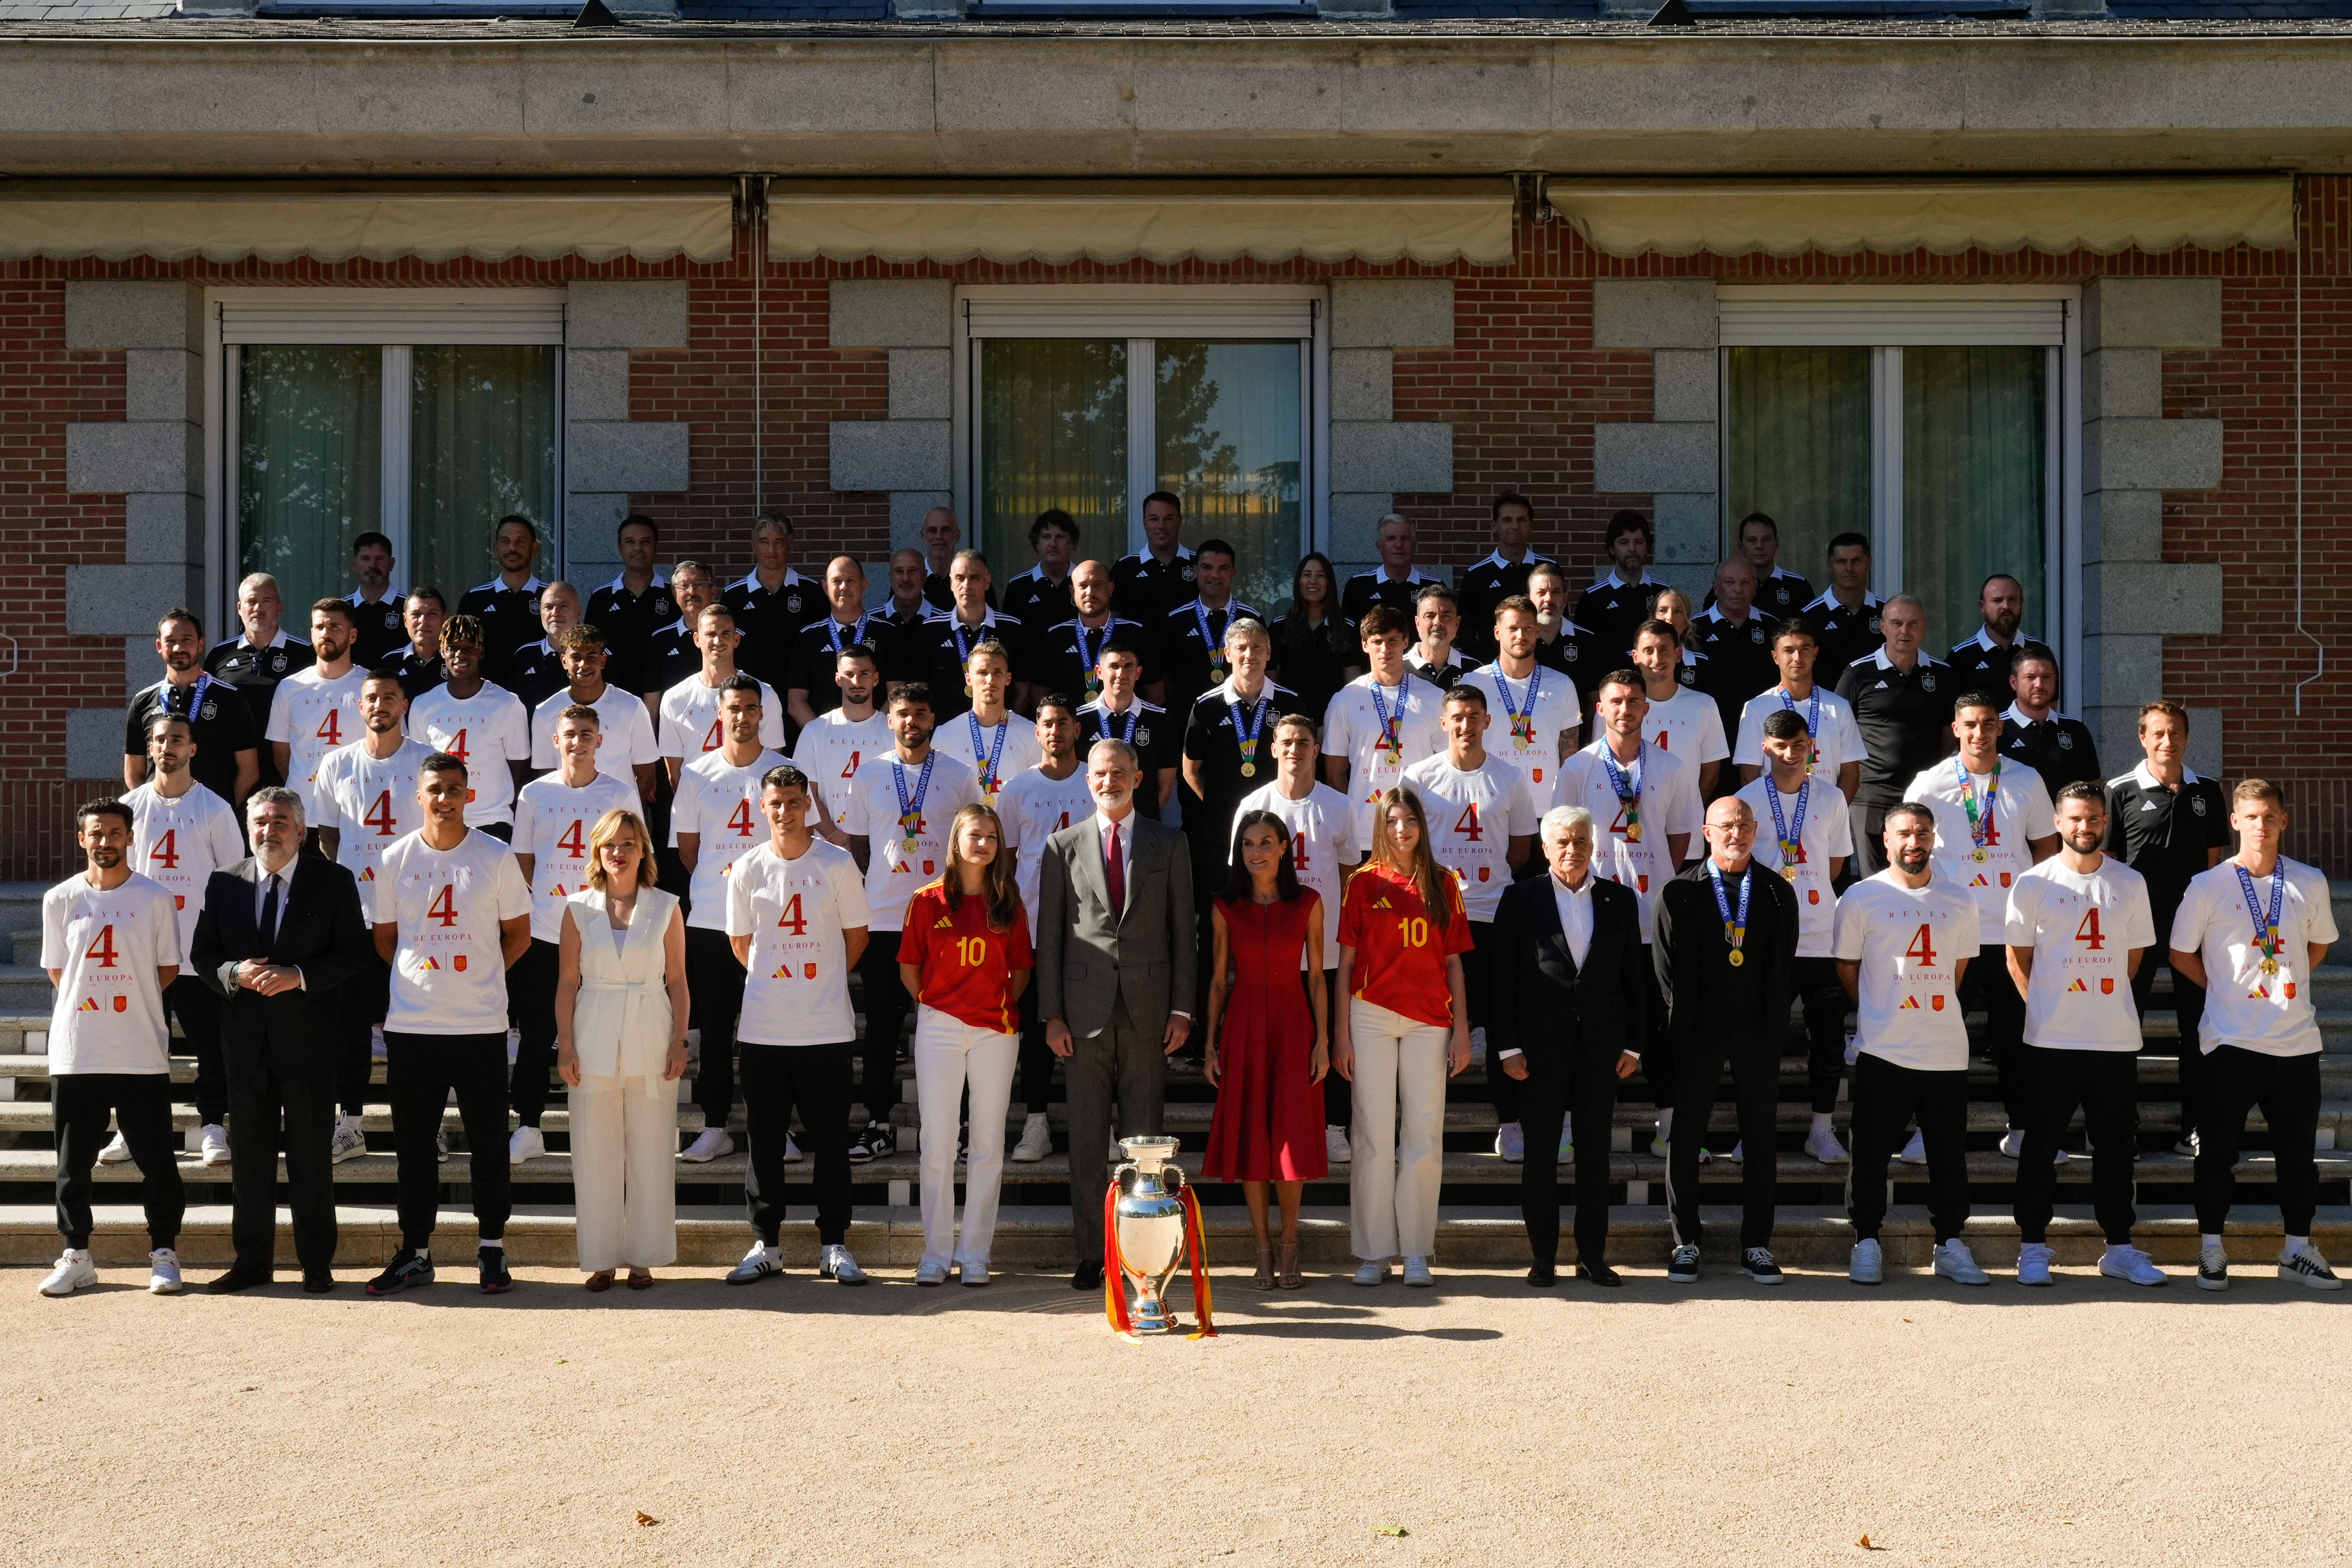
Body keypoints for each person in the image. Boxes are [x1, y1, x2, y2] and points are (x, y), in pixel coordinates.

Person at [192, 786, 374, 1293]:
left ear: (300, 831)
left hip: (309, 1043)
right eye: (261, 823)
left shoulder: (333, 881)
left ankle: (316, 1265)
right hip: (246, 1045)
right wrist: (234, 971)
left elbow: (354, 955)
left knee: (311, 1160)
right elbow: (204, 956)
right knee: (249, 1161)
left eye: (279, 822)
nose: (268, 831)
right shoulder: (223, 882)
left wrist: (299, 975)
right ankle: (252, 1263)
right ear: (249, 830)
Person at [364, 753, 533, 1297]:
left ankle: (491, 1249)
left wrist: (482, 973)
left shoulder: (496, 855)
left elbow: (519, 934)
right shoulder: (394, 857)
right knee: (414, 1146)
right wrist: (423, 981)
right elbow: (386, 940)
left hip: (480, 1024)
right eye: (435, 789)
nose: (445, 798)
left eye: (455, 789)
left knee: (488, 1142)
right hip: (414, 1028)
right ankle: (415, 1252)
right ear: (420, 795)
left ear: (469, 794)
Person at [1034, 738, 1197, 1291]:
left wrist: (1182, 1007)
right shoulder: (1061, 846)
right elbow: (1050, 936)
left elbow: (1183, 933)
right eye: (1101, 773)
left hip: (1150, 1011)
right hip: (1082, 1016)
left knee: (1145, 1139)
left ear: (1137, 776)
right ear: (1089, 780)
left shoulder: (1169, 842)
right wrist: (1051, 1014)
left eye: (1120, 772)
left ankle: (1142, 1252)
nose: (1110, 781)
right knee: (1084, 1138)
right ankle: (1091, 1252)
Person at [2169, 779, 2344, 1291]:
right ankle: (2211, 1249)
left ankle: (2296, 1249)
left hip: (2295, 1041)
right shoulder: (2209, 885)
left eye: (2269, 817)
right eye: (2251, 816)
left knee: (2297, 1157)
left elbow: (2318, 947)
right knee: (2218, 1152)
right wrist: (2224, 988)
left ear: (2284, 821)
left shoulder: (2309, 881)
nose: (2261, 826)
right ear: (2234, 822)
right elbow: (2181, 954)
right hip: (2231, 1040)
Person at [2004, 780, 2165, 1287]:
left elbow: (2135, 958)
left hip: (2113, 1038)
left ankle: (2118, 1246)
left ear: (2105, 821)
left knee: (2116, 1148)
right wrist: (2050, 1006)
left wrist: (2101, 1001)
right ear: (2057, 822)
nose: (2085, 826)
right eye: (2075, 818)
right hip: (2052, 1040)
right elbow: (2016, 958)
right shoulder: (2032, 883)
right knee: (2040, 1147)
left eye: (2094, 818)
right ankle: (2032, 1246)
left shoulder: (2130, 882)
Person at [724, 766, 873, 1287]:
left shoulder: (837, 864)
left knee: (831, 1142)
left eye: (793, 801)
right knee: (763, 1141)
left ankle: (834, 1242)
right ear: (761, 807)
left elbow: (856, 938)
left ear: (808, 804)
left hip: (825, 1029)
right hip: (765, 1029)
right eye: (776, 803)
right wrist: (780, 981)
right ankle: (766, 1243)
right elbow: (743, 946)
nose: (785, 811)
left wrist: (819, 981)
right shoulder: (746, 867)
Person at [1833, 802, 1989, 1288]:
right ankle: (1866, 1238)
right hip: (1883, 1049)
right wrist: (1883, 1007)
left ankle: (1949, 1242)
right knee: (1870, 1153)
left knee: (1947, 1155)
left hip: (1943, 1049)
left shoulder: (1960, 899)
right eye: (1904, 833)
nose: (1913, 842)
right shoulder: (1860, 898)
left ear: (1934, 838)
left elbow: (1959, 971)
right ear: (1886, 839)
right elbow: (1848, 968)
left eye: (1922, 832)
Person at [1491, 806, 1646, 1287]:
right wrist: (1507, 1048)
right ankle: (1542, 1257)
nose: (1572, 849)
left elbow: (1635, 978)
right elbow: (1501, 982)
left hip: (1601, 1050)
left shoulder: (1619, 900)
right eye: (1562, 841)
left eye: (1580, 839)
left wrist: (1636, 1046)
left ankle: (1592, 1256)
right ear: (1544, 848)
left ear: (1593, 843)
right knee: (1539, 1156)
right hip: (1538, 1050)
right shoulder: (1520, 899)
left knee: (1594, 1157)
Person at [35, 800, 185, 1299]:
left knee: (158, 1161)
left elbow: (165, 970)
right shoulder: (59, 898)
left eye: (115, 833)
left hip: (139, 1047)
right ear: (82, 839)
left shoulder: (156, 898)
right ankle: (77, 1255)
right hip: (78, 1050)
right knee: (72, 1164)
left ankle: (164, 1252)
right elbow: (60, 972)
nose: (106, 841)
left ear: (130, 837)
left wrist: (125, 998)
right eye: (96, 833)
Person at [1552, 668, 1703, 1154]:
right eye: (1614, 700)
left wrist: (1654, 871)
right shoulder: (1577, 768)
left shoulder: (1672, 766)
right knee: (1586, 1021)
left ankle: (1670, 1127)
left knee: (1660, 1023)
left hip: (1652, 915)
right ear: (1600, 708)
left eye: (1633, 700)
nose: (1624, 709)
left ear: (1646, 708)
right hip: (1593, 915)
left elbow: (1681, 837)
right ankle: (1575, 1129)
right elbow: (1561, 838)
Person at [1902, 689, 2059, 1156]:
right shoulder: (1929, 783)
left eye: (1988, 723)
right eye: (1969, 724)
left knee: (2016, 1037)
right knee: (1940, 1032)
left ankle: (2023, 1128)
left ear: (2000, 727)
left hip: (2010, 930)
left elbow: (2045, 849)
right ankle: (1926, 1131)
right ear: (1956, 729)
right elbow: (1906, 847)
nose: (1979, 732)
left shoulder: (2026, 779)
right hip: (1952, 933)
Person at [1653, 796, 1801, 1284]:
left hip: (1758, 1031)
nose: (1734, 832)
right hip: (1697, 1033)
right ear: (1706, 831)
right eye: (1725, 825)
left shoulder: (1778, 892)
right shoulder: (1681, 890)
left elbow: (1785, 960)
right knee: (1686, 1137)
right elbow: (1665, 969)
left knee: (1760, 1137)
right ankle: (1686, 1242)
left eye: (1742, 824)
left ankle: (1757, 1243)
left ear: (1755, 830)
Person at [1333, 787, 1471, 1289]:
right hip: (1369, 1014)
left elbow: (1454, 961)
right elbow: (1346, 963)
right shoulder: (1362, 883)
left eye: (1409, 819)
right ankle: (1372, 1251)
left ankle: (1415, 1249)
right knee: (1371, 1137)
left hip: (1430, 1019)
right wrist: (1340, 1034)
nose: (1401, 829)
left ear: (1422, 825)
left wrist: (1461, 1030)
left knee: (1422, 1135)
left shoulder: (1444, 882)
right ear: (1380, 826)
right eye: (1392, 820)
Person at [839, 684, 983, 1162]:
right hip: (884, 917)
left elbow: (973, 842)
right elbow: (859, 844)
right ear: (889, 718)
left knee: (951, 1026)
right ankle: (877, 1124)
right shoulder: (870, 773)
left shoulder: (960, 775)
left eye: (920, 713)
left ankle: (959, 1127)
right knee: (881, 1027)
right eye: (902, 713)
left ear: (933, 718)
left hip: (945, 918)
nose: (911, 721)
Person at [899, 803, 1035, 1287]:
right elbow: (909, 967)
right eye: (974, 835)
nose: (983, 844)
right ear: (955, 840)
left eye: (992, 837)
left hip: (995, 1029)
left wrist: (987, 1003)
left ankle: (975, 1252)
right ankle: (935, 1252)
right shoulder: (927, 900)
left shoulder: (1008, 902)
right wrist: (939, 1004)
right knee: (936, 1143)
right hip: (939, 1025)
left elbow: (1020, 971)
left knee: (987, 1144)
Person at [1401, 687, 1538, 1159]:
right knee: (1431, 1021)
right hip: (1435, 916)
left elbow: (1520, 850)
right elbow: (1406, 846)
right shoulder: (1417, 778)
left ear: (1487, 721)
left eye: (1474, 717)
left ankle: (1511, 1122)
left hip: (1493, 913)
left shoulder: (1510, 777)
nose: (1466, 725)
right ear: (1443, 722)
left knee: (1504, 1021)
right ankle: (1422, 1124)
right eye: (1458, 717)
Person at [554, 807, 687, 1292]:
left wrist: (679, 1040)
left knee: (651, 1146)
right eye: (610, 843)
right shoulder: (578, 908)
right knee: (594, 1149)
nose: (618, 852)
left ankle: (644, 1257)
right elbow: (568, 981)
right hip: (593, 1031)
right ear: (597, 850)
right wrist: (565, 1044)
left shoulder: (666, 905)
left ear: (643, 849)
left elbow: (678, 979)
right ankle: (602, 1256)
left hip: (652, 1028)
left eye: (628, 843)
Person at [510, 703, 644, 1163]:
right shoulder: (532, 793)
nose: (577, 741)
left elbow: (633, 858)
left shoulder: (620, 792)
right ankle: (529, 1124)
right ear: (556, 739)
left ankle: (610, 1129)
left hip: (603, 929)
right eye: (569, 733)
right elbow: (523, 861)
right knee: (536, 1031)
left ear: (599, 740)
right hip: (546, 928)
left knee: (606, 1032)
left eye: (586, 733)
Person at [1203, 810, 1329, 1290]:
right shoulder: (1225, 905)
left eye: (1266, 842)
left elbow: (1318, 976)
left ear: (1284, 848)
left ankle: (1292, 1243)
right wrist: (1211, 1046)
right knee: (1253, 1138)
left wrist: (1323, 1039)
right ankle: (1262, 1248)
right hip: (1243, 1024)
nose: (1256, 851)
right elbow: (1218, 979)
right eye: (1248, 843)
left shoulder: (1309, 902)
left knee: (1291, 1138)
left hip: (1295, 1025)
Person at [312, 669, 435, 1150]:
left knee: (417, 1025)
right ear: (359, 707)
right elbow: (328, 835)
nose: (380, 703)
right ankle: (352, 1121)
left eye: (389, 696)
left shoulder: (427, 760)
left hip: (417, 915)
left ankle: (427, 1123)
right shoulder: (336, 763)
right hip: (358, 916)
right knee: (353, 1027)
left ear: (404, 704)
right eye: (371, 697)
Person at [1235, 715, 1363, 1170]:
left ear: (1316, 748)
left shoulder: (1339, 804)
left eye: (1303, 742)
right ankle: (1273, 1125)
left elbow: (1350, 873)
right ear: (1273, 749)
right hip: (1271, 952)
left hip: (1325, 946)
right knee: (1277, 1041)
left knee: (1330, 1035)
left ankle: (1333, 1126)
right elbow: (1240, 877)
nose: (1295, 750)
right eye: (1286, 742)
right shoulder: (1253, 804)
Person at [670, 676, 788, 1163]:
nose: (743, 715)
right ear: (720, 713)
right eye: (733, 707)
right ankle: (715, 1125)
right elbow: (691, 851)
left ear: (763, 713)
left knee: (775, 1031)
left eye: (751, 707)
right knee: (715, 1031)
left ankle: (777, 1130)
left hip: (772, 923)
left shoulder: (784, 770)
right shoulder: (696, 774)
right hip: (713, 921)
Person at [2104, 700, 2230, 1154]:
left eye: (2175, 732)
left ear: (2186, 737)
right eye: (2157, 733)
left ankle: (2193, 1126)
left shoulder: (2207, 791)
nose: (2167, 741)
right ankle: (2124, 1125)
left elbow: (2214, 865)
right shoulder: (2119, 791)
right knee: (2124, 1030)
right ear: (2142, 738)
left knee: (2197, 1030)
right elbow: (2111, 865)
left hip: (2193, 934)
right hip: (2135, 931)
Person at [119, 715, 244, 1170]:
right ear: (148, 749)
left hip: (198, 951)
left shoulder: (214, 808)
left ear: (193, 748)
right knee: (139, 1043)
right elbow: (117, 879)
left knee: (210, 1046)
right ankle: (132, 1128)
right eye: (159, 740)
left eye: (176, 739)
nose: (167, 746)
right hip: (144, 950)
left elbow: (236, 881)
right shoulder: (128, 807)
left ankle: (213, 1124)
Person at [1735, 708, 1857, 1164]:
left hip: (1822, 938)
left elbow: (1835, 866)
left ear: (1812, 747)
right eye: (1781, 746)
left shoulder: (1831, 797)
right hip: (1766, 942)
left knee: (1827, 1042)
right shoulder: (1746, 800)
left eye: (1799, 745)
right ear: (1765, 747)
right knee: (1759, 1042)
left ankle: (1821, 1130)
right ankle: (1754, 1131)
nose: (1790, 754)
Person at [996, 694, 1099, 1163]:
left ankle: (1105, 1122)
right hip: (1035, 928)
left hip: (1093, 929)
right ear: (1035, 733)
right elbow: (1006, 863)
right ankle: (1036, 1121)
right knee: (1038, 1027)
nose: (1055, 731)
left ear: (1077, 729)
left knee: (1097, 1026)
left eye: (1063, 722)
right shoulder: (1016, 789)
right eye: (1047, 724)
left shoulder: (1097, 781)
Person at [1180, 618, 1292, 971]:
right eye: (1241, 648)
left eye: (1257, 647)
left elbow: (1302, 764)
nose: (1249, 655)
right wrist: (1221, 807)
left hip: (1276, 834)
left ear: (1268, 652)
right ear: (1227, 653)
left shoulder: (1289, 701)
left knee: (1274, 909)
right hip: (1223, 832)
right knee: (1224, 915)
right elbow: (1191, 771)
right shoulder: (1206, 706)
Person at [1835, 593, 1955, 878]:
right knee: (1875, 881)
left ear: (1924, 627)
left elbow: (1950, 732)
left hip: (1927, 794)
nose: (1905, 631)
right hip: (1871, 795)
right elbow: (1836, 730)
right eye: (1897, 623)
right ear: (1882, 627)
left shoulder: (1943, 675)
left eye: (1913, 623)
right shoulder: (1858, 673)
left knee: (1925, 875)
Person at [1321, 606, 1446, 841]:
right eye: (1377, 641)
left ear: (1406, 641)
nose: (1385, 649)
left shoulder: (1433, 697)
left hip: (1420, 828)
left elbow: (1446, 768)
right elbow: (1335, 776)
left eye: (1392, 640)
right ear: (1365, 645)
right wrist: (1348, 824)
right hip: (1364, 832)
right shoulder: (1345, 700)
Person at [406, 614, 534, 843]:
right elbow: (419, 766)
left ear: (481, 652)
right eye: (453, 648)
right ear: (442, 651)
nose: (460, 655)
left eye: (469, 648)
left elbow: (519, 764)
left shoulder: (508, 704)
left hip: (492, 820)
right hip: (440, 820)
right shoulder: (423, 704)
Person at [124, 607, 260, 807]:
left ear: (201, 644)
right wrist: (148, 808)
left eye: (187, 640)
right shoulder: (142, 702)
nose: (179, 648)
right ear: (160, 646)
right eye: (171, 641)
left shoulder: (230, 698)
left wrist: (222, 810)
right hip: (158, 817)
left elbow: (249, 771)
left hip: (209, 820)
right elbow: (134, 772)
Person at [1463, 595, 1584, 803]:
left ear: (1538, 632)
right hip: (1491, 803)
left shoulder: (1562, 684)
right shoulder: (1474, 683)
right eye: (1513, 629)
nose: (1521, 635)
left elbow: (1569, 756)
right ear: (1497, 633)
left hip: (1547, 807)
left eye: (1528, 628)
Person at [1734, 617, 1864, 801]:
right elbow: (1749, 776)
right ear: (1775, 657)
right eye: (1788, 651)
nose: (1798, 658)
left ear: (1816, 653)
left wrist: (1835, 814)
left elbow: (1851, 775)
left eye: (1805, 650)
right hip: (1775, 815)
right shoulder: (1756, 708)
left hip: (1826, 815)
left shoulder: (1838, 707)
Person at [658, 603, 787, 784]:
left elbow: (774, 763)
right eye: (710, 635)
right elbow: (675, 774)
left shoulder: (764, 694)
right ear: (697, 640)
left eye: (726, 634)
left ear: (736, 640)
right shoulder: (675, 699)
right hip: (698, 804)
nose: (718, 642)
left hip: (751, 803)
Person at [204, 574, 314, 786]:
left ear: (280, 608)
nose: (258, 608)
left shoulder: (306, 655)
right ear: (239, 608)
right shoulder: (220, 655)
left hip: (289, 769)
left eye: (267, 601)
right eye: (251, 602)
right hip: (233, 772)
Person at [529, 624, 661, 801]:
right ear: (564, 661)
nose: (584, 665)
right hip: (567, 816)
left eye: (591, 657)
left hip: (617, 820)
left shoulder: (632, 707)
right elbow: (546, 778)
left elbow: (646, 777)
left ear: (603, 661)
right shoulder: (545, 713)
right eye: (576, 658)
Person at [265, 599, 366, 824]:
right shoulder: (290, 687)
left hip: (354, 814)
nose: (326, 634)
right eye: (320, 627)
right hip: (301, 817)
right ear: (312, 634)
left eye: (335, 627)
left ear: (353, 635)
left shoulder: (370, 687)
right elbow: (283, 757)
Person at [786, 556, 903, 730]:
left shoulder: (888, 633)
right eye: (837, 581)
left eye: (851, 581)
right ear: (825, 588)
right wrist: (822, 737)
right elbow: (796, 702)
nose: (844, 587)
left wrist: (873, 733)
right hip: (825, 743)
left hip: (877, 741)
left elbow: (896, 694)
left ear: (864, 585)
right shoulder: (809, 637)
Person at [790, 642, 891, 840]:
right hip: (830, 846)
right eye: (849, 675)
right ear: (838, 679)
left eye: (864, 674)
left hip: (881, 843)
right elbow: (804, 790)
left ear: (876, 678)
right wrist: (832, 834)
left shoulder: (892, 730)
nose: (857, 682)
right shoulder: (815, 731)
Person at [910, 549, 1024, 722]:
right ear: (951, 583)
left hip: (1000, 733)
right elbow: (920, 690)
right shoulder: (929, 630)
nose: (967, 585)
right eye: (960, 578)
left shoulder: (1012, 629)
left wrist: (1007, 726)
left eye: (975, 578)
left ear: (987, 582)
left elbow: (1023, 692)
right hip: (944, 735)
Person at [1025, 559, 1150, 715]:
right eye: (1083, 586)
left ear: (1110, 589)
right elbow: (1039, 696)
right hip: (1070, 735)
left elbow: (1155, 693)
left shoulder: (1135, 633)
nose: (1090, 592)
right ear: (1072, 592)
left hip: (1123, 732)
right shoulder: (1055, 636)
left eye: (1097, 585)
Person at [936, 639, 1043, 810]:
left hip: (1014, 834)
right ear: (969, 678)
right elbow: (938, 797)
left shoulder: (1031, 734)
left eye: (998, 672)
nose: (990, 680)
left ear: (1008, 678)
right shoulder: (945, 735)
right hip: (965, 833)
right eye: (983, 673)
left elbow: (1037, 795)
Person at [1629, 616, 1727, 802]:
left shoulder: (1704, 705)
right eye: (1648, 651)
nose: (1657, 659)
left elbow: (1711, 772)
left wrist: (1688, 812)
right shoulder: (1618, 707)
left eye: (1664, 650)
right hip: (1632, 820)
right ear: (1636, 657)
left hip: (1687, 824)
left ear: (1678, 654)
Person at [1076, 636, 1179, 812]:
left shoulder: (1160, 720)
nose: (1121, 674)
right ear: (1100, 672)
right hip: (1091, 826)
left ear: (1138, 673)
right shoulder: (1079, 720)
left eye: (1128, 667)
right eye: (1114, 667)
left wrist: (1137, 824)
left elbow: (1165, 787)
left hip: (1142, 828)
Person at [1161, 539, 1261, 714]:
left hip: (1242, 721)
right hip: (1189, 720)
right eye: (1207, 568)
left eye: (1223, 568)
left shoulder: (1252, 618)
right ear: (1195, 571)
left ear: (1233, 572)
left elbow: (1267, 674)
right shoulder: (1176, 620)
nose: (1215, 575)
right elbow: (1166, 679)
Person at [1688, 558, 1781, 744]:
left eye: (1745, 582)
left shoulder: (1773, 627)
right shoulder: (1695, 629)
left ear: (1755, 588)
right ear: (1715, 588)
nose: (1738, 589)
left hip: (1763, 730)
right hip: (1712, 732)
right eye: (1730, 582)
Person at [1455, 492, 1552, 662]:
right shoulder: (1477, 575)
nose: (1515, 526)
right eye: (1507, 520)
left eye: (1521, 520)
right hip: (1491, 670)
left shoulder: (1548, 571)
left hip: (1542, 666)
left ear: (1531, 525)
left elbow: (1559, 621)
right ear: (1495, 525)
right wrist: (1482, 662)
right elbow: (1465, 630)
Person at [1268, 551, 1361, 727]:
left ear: (1329, 584)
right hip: (1289, 729)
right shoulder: (1279, 628)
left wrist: (1329, 729)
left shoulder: (1348, 629)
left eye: (1321, 576)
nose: (1313, 581)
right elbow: (1273, 687)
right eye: (1307, 575)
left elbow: (1352, 689)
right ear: (1298, 582)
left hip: (1334, 728)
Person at [585, 514, 674, 697]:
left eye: (645, 542)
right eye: (630, 542)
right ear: (620, 548)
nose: (638, 548)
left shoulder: (673, 594)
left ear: (656, 547)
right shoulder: (602, 598)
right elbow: (590, 650)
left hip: (664, 699)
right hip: (613, 698)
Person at [455, 515, 549, 683]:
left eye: (520, 542)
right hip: (489, 700)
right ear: (496, 548)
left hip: (541, 697)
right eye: (505, 541)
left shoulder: (551, 598)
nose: (512, 548)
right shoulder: (474, 600)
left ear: (535, 549)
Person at [2000, 645, 2101, 794]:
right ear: (2014, 682)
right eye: (2031, 677)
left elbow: (2092, 790)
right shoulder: (1996, 728)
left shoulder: (2076, 730)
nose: (2039, 685)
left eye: (2047, 677)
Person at [1570, 510, 1666, 664]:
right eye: (1624, 542)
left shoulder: (1663, 594)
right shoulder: (1594, 597)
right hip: (1611, 684)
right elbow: (1584, 650)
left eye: (1639, 542)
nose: (1632, 549)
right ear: (1612, 549)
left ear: (1647, 548)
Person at [1802, 532, 1885, 691]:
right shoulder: (1809, 617)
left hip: (1875, 710)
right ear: (1829, 564)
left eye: (1856, 561)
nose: (1849, 568)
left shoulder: (1887, 614)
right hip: (1827, 710)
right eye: (1841, 562)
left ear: (1869, 562)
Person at [1110, 491, 1197, 626]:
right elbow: (1114, 622)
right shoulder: (1125, 568)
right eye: (1154, 519)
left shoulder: (1199, 564)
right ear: (1144, 522)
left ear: (1180, 521)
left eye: (1169, 519)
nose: (1161, 526)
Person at [1706, 512, 1815, 618]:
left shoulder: (1799, 587)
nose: (1760, 546)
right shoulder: (1724, 589)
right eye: (1752, 540)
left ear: (1777, 544)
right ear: (1740, 546)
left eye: (1766, 540)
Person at [643, 559, 721, 702]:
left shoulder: (731, 637)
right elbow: (652, 700)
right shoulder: (660, 640)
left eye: (699, 585)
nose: (692, 592)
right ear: (674, 594)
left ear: (713, 592)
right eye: (684, 586)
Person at [1340, 514, 1439, 624]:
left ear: (1415, 546)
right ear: (1380, 547)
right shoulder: (1358, 586)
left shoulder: (1434, 588)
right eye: (1391, 539)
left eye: (1405, 538)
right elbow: (1348, 637)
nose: (1399, 545)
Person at [503, 580, 580, 714]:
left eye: (564, 606)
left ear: (579, 611)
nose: (555, 613)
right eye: (548, 607)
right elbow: (512, 711)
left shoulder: (595, 655)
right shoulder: (525, 656)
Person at [1948, 573, 2032, 691]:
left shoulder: (2038, 651)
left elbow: (2049, 706)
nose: (2006, 607)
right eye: (1998, 600)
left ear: (2021, 603)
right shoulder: (1961, 657)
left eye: (2013, 600)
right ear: (1982, 606)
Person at [1000, 508, 1080, 631]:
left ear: (1072, 544)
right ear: (1037, 544)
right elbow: (1009, 634)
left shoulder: (1086, 584)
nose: (1053, 543)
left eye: (1060, 537)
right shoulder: (1018, 587)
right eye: (1046, 537)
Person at [1526, 561, 1599, 691]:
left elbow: (1594, 699)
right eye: (1541, 593)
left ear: (1565, 599)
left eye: (1556, 592)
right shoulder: (1519, 640)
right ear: (1528, 600)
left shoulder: (1587, 641)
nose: (1548, 599)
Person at [344, 530, 409, 668]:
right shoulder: (342, 610)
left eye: (380, 558)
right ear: (355, 564)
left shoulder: (410, 609)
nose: (373, 565)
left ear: (391, 564)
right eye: (366, 559)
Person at [919, 507, 996, 613]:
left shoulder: (977, 578)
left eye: (946, 531)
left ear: (957, 536)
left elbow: (992, 622)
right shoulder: (911, 579)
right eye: (932, 531)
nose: (939, 536)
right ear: (923, 536)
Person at [384, 588, 448, 700]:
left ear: (445, 619)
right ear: (405, 620)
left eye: (432, 614)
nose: (423, 621)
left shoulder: (457, 660)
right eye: (416, 614)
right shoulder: (390, 663)